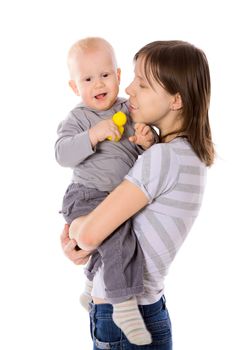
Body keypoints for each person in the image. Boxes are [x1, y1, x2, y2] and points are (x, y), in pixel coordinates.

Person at [61, 40, 215, 350]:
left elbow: (91, 234)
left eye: (142, 84)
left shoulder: (162, 157)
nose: (128, 90)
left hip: (125, 317)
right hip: (146, 309)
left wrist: (74, 232)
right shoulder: (183, 155)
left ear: (176, 100)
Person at [55, 37, 158, 346]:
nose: (98, 84)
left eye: (104, 75)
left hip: (117, 199)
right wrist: (92, 135)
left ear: (118, 75)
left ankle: (90, 287)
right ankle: (123, 308)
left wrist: (146, 139)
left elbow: (149, 147)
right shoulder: (79, 119)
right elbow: (61, 154)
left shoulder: (129, 111)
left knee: (121, 238)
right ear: (75, 87)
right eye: (87, 79)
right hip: (86, 195)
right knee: (118, 240)